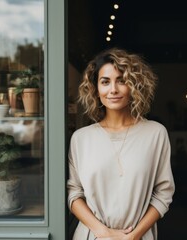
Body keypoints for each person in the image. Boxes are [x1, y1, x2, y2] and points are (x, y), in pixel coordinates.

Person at [67, 48, 175, 240]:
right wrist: (103, 233)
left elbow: (163, 194)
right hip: (92, 237)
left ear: (134, 85)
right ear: (95, 88)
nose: (113, 89)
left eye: (122, 80)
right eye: (105, 82)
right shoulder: (81, 138)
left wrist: (134, 236)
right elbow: (74, 194)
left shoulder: (155, 133)